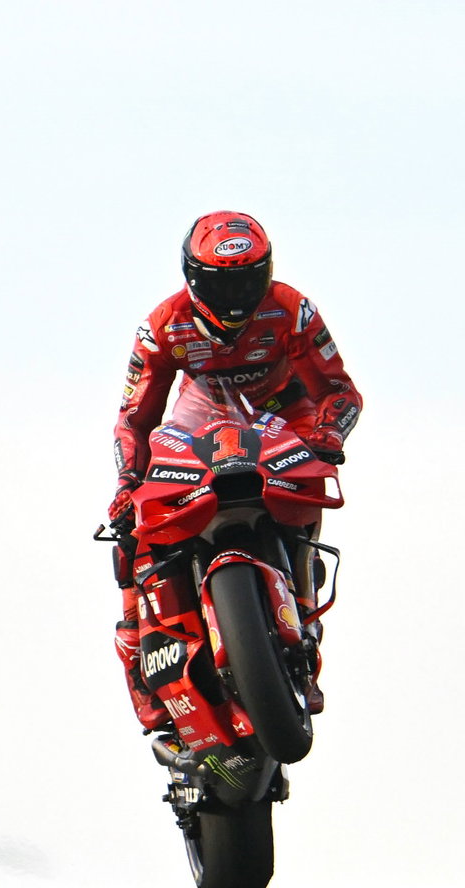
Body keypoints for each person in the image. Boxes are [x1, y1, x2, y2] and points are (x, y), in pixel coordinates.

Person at [108, 211, 362, 727]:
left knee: (302, 513)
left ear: (267, 272)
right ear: (193, 278)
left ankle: (304, 643)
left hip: (285, 421)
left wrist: (327, 438)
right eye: (224, 283)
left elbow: (340, 393)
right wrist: (127, 483)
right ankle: (143, 665)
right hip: (196, 431)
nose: (237, 297)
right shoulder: (161, 325)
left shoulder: (294, 311)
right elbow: (135, 418)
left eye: (249, 279)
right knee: (132, 531)